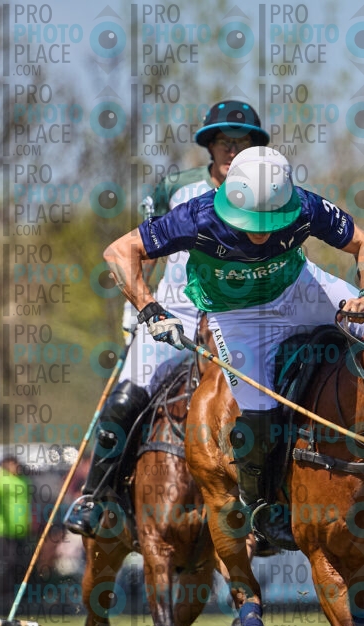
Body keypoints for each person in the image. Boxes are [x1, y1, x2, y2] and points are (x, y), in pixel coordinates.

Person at [103, 146, 364, 512]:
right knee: (260, 424)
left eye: (269, 221)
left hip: (299, 289)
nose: (259, 233)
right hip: (238, 315)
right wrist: (150, 310)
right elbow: (120, 251)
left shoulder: (306, 207)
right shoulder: (197, 216)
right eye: (249, 220)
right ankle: (261, 509)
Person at [65, 101, 269, 537]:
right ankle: (98, 496)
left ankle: (269, 508)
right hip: (170, 319)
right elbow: (141, 250)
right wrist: (135, 308)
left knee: (268, 405)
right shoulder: (176, 189)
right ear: (210, 146)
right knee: (124, 399)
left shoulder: (268, 193)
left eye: (241, 142)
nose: (232, 150)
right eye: (223, 141)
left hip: (234, 323)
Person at [0, 454, 32, 610]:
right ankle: (4, 597)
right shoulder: (1, 478)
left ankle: (19, 598)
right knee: (7, 563)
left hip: (21, 530)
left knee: (21, 563)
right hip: (3, 530)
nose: (16, 467)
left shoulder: (24, 480)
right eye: (12, 464)